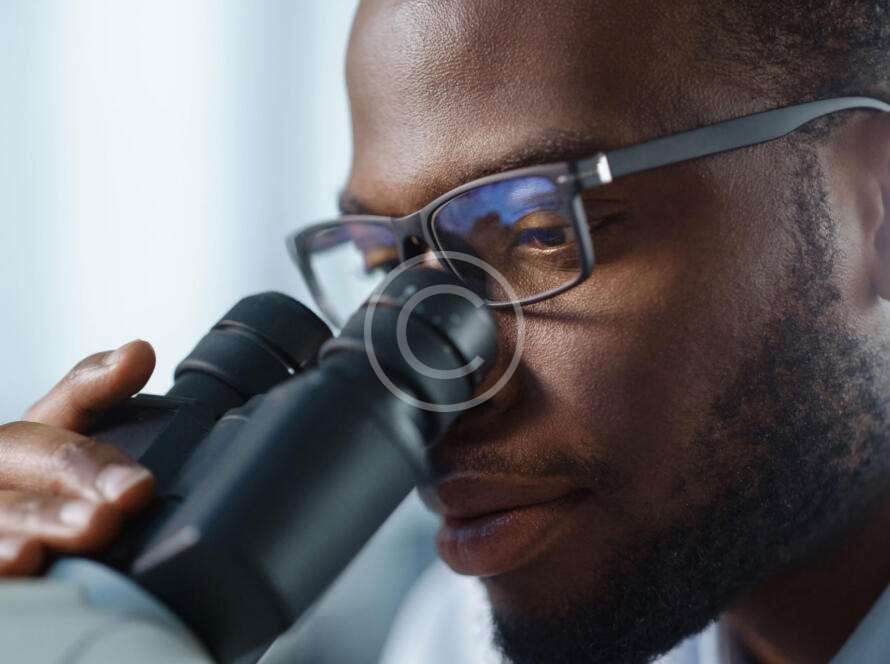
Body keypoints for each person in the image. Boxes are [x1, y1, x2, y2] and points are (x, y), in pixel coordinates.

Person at [6, 1, 890, 662]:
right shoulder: (450, 635)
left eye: (540, 230)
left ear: (877, 208)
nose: (438, 394)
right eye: (389, 269)